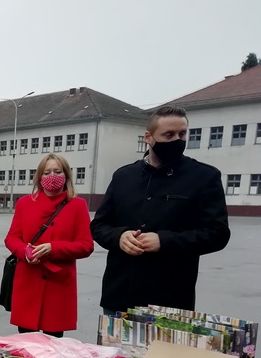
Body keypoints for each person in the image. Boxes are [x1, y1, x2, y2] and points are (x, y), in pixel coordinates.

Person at [90, 106, 230, 314]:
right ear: (149, 137)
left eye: (182, 134)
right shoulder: (123, 176)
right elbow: (99, 225)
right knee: (113, 349)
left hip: (170, 300)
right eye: (168, 135)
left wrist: (164, 241)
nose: (177, 140)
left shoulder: (204, 177)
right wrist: (119, 237)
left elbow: (217, 234)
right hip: (119, 296)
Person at [4, 153, 93, 337]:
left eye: (57, 171)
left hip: (58, 287)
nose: (52, 176)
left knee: (53, 345)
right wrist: (25, 252)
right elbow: (11, 238)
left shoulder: (77, 205)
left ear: (66, 175)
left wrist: (54, 249)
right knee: (26, 343)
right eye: (47, 172)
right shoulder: (25, 203)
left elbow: (86, 245)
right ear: (39, 177)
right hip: (28, 282)